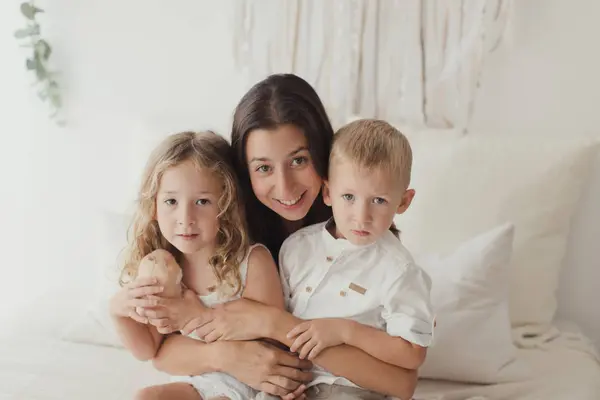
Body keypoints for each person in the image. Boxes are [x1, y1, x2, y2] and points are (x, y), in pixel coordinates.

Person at [140, 74, 421, 400]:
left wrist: (272, 323)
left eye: (299, 160)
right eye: (263, 168)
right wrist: (226, 356)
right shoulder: (227, 238)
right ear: (244, 172)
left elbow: (401, 383)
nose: (285, 188)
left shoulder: (365, 241)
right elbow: (160, 352)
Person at [109, 131, 286, 400]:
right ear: (154, 206)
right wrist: (118, 312)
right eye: (171, 201)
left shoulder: (251, 262)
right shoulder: (163, 268)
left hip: (248, 382)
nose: (185, 218)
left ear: (226, 205)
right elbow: (149, 351)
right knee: (145, 397)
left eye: (202, 202)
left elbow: (272, 343)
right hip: (196, 377)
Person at [272, 118, 435, 399]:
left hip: (351, 388)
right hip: (295, 381)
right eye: (348, 196)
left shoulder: (399, 270)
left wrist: (346, 331)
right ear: (327, 192)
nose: (361, 216)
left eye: (379, 200)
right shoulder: (296, 248)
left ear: (403, 202)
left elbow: (412, 354)